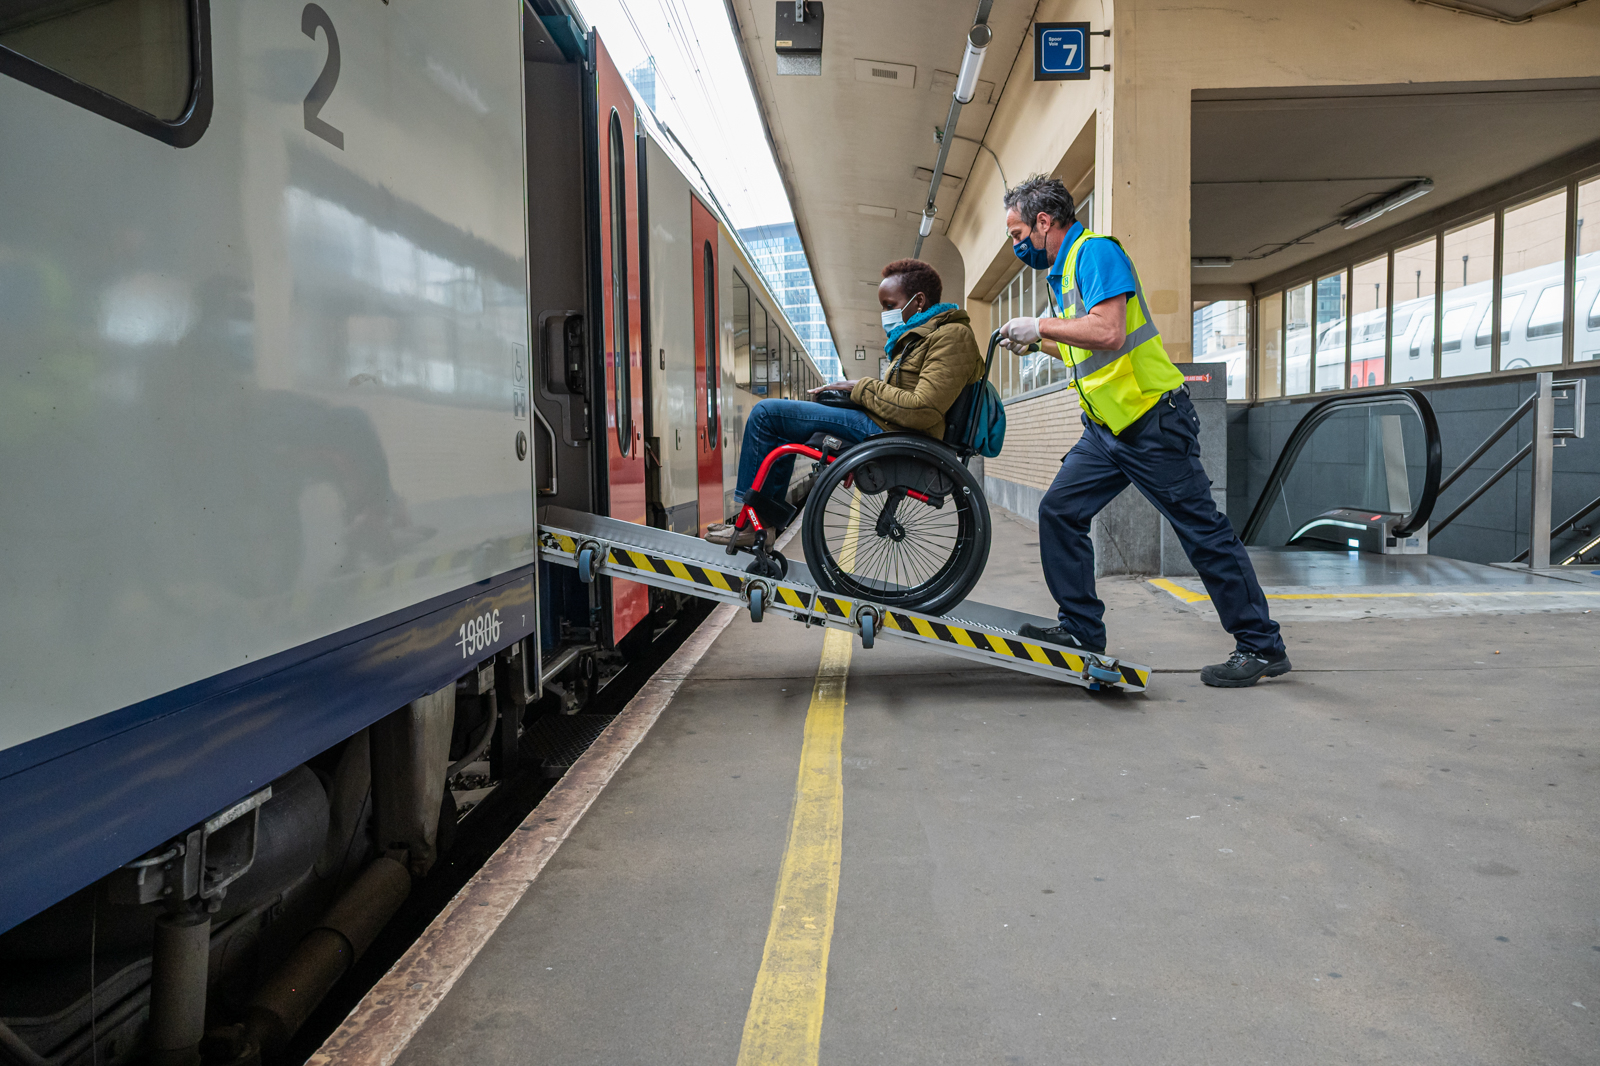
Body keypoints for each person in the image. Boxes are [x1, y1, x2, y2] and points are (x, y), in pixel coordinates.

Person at [997, 175, 1289, 688]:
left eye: (1018, 234)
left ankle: (1261, 646)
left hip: (1153, 422)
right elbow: (1089, 345)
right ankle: (1081, 631)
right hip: (1108, 430)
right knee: (1059, 512)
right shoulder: (1063, 273)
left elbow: (1108, 330)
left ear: (1044, 223)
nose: (1017, 245)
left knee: (1202, 533)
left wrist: (1037, 326)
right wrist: (1037, 345)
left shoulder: (1095, 253)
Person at [707, 258, 984, 547]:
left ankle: (754, 522)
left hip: (897, 432)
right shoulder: (922, 338)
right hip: (891, 427)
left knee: (766, 415)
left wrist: (860, 387)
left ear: (918, 302)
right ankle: (759, 523)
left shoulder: (952, 336)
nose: (885, 313)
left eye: (889, 305)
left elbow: (922, 408)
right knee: (779, 424)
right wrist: (854, 393)